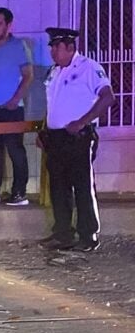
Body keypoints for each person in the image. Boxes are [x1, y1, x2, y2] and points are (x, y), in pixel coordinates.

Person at [38, 27, 115, 252]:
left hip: (78, 137)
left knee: (82, 187)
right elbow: (54, 105)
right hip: (56, 138)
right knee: (58, 188)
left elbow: (108, 97)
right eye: (51, 46)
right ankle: (63, 234)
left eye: (56, 47)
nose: (52, 51)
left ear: (70, 47)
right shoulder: (54, 72)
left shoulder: (88, 68)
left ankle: (88, 235)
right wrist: (44, 131)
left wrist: (82, 122)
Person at [0, 7, 34, 205]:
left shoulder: (19, 46)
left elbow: (28, 75)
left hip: (12, 109)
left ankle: (20, 192)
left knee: (15, 150)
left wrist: (15, 99)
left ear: (8, 25)